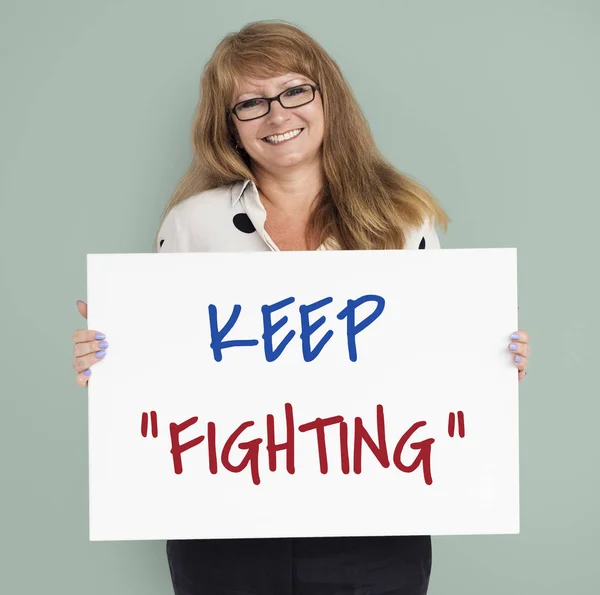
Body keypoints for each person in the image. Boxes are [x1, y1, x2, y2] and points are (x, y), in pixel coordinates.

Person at [71, 20, 531, 595]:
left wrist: (490, 358)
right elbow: (166, 367)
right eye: (251, 103)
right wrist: (111, 364)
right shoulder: (194, 224)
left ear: (326, 97)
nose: (278, 115)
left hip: (375, 525)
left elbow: (433, 357)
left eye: (294, 91)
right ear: (229, 126)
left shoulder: (402, 218)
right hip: (225, 525)